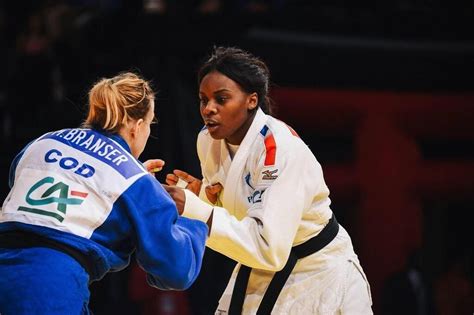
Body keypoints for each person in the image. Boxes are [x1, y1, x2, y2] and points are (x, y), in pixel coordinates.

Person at [164, 46, 373, 314]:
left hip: (316, 269)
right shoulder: (207, 140)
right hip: (259, 267)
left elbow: (268, 247)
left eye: (221, 99)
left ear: (251, 100)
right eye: (203, 100)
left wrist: (194, 208)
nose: (209, 109)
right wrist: (203, 196)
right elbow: (241, 209)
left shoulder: (280, 151)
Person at [0, 72, 208, 314]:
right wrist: (194, 214)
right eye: (151, 124)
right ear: (137, 126)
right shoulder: (134, 179)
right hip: (49, 287)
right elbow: (176, 270)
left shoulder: (42, 143)